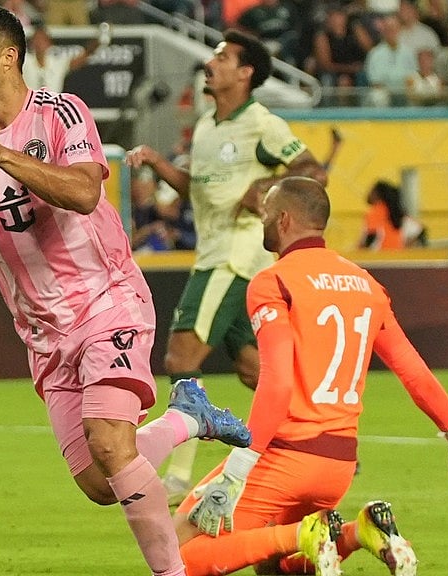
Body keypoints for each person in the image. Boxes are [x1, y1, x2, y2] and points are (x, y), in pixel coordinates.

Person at [0, 8, 251, 576]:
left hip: (106, 300)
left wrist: (3, 154)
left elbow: (83, 193)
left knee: (110, 443)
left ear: (8, 56)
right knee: (100, 481)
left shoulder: (60, 113)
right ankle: (187, 420)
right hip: (44, 333)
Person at [176, 176, 448, 576]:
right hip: (338, 464)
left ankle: (304, 533)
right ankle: (359, 532)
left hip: (286, 456)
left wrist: (237, 469)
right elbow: (414, 372)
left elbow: (277, 381)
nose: (262, 220)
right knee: (275, 567)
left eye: (266, 213)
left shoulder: (273, 281)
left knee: (174, 554)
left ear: (284, 219)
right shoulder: (366, 284)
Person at [124, 29, 327, 505]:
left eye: (222, 57)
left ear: (245, 73)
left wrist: (267, 189)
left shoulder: (262, 124)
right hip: (217, 252)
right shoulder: (207, 125)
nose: (211, 64)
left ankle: (178, 476)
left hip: (235, 257)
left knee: (181, 359)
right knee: (255, 369)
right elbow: (198, 189)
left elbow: (313, 170)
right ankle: (318, 439)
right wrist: (156, 162)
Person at [360, 179, 427, 250]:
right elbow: (420, 231)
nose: (369, 193)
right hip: (396, 255)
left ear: (377, 194)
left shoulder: (376, 212)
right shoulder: (398, 214)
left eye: (372, 191)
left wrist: (361, 250)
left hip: (379, 254)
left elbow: (370, 237)